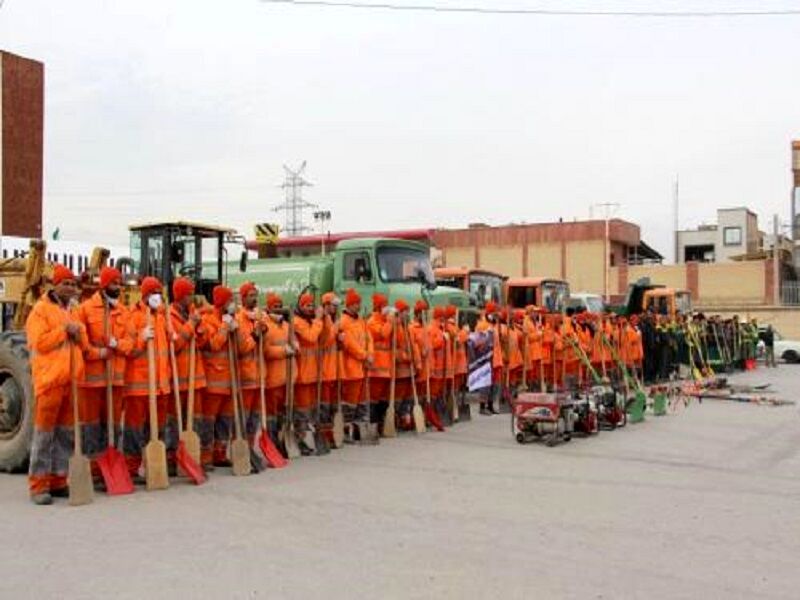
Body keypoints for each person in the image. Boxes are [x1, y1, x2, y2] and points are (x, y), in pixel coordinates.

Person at [26, 264, 88, 505]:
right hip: (50, 382)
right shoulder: (40, 311)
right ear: (55, 284)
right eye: (66, 283)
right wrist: (65, 330)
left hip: (70, 383)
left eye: (73, 284)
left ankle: (59, 480)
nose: (71, 288)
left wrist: (77, 332)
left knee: (65, 435)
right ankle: (39, 485)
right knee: (44, 435)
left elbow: (81, 343)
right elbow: (39, 342)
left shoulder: (71, 310)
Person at [75, 266, 131, 481]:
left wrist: (117, 345)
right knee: (91, 427)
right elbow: (82, 345)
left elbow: (131, 342)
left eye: (119, 283)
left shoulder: (123, 312)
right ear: (104, 285)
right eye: (114, 283)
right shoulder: (86, 309)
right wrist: (100, 353)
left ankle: (111, 468)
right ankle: (93, 471)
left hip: (116, 379)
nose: (117, 287)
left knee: (114, 426)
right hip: (91, 382)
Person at [122, 276, 171, 480]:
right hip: (139, 385)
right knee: (134, 428)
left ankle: (153, 465)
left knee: (157, 428)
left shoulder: (162, 316)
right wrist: (141, 338)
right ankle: (132, 468)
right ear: (145, 295)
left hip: (160, 385)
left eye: (159, 292)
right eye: (153, 292)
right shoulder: (133, 316)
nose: (157, 296)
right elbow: (128, 349)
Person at [199, 285, 239, 469]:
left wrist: (236, 330)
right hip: (214, 379)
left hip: (229, 380)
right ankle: (205, 457)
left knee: (225, 419)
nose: (233, 304)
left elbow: (241, 348)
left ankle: (220, 454)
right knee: (209, 420)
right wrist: (225, 326)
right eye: (230, 300)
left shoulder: (230, 320)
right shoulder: (208, 320)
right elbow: (214, 344)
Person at [167, 277, 207, 460]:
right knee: (175, 421)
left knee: (196, 420)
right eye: (188, 294)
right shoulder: (169, 316)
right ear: (179, 295)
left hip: (195, 378)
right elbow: (176, 345)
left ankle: (193, 456)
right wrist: (191, 324)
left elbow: (204, 341)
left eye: (192, 293)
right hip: (178, 379)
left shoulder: (194, 313)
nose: (192, 297)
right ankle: (173, 458)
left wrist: (198, 328)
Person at [338, 288, 373, 441]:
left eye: (359, 303)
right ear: (350, 305)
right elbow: (349, 344)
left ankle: (360, 429)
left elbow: (369, 339)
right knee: (350, 403)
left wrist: (370, 354)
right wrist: (365, 356)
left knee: (362, 400)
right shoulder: (343, 322)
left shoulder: (361, 321)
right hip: (351, 369)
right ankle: (346, 429)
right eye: (356, 303)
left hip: (363, 367)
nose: (359, 306)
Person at [263, 293, 297, 449]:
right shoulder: (266, 326)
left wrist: (296, 346)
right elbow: (266, 351)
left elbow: (294, 340)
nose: (278, 309)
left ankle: (282, 440)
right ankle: (271, 441)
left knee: (284, 411)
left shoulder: (286, 326)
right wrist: (283, 350)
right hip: (273, 378)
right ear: (269, 308)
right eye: (275, 306)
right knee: (271, 414)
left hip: (287, 377)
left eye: (280, 306)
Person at [292, 292, 323, 454]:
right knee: (302, 411)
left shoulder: (310, 321)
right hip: (302, 375)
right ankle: (300, 439)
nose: (310, 308)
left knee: (310, 410)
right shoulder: (298, 322)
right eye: (307, 305)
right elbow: (311, 337)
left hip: (312, 373)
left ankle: (306, 439)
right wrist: (318, 320)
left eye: (312, 305)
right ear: (301, 306)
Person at [235, 282, 265, 447]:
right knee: (243, 417)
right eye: (251, 295)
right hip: (246, 376)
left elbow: (265, 348)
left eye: (256, 295)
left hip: (259, 376)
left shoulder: (259, 317)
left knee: (254, 417)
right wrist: (255, 335)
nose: (255, 299)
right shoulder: (239, 319)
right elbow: (242, 348)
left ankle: (251, 447)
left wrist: (264, 333)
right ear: (243, 297)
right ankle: (240, 446)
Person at [367, 293, 394, 433]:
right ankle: (373, 424)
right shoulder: (372, 322)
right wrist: (390, 321)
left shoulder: (385, 321)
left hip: (386, 368)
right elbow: (383, 334)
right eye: (384, 305)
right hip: (376, 368)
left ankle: (381, 424)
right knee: (373, 399)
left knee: (383, 398)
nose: (386, 308)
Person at [318, 292, 340, 443]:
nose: (336, 308)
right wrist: (336, 330)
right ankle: (324, 435)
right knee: (324, 405)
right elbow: (324, 341)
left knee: (331, 405)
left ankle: (330, 434)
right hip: (324, 369)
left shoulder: (332, 320)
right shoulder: (323, 320)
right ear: (326, 305)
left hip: (333, 369)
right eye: (333, 305)